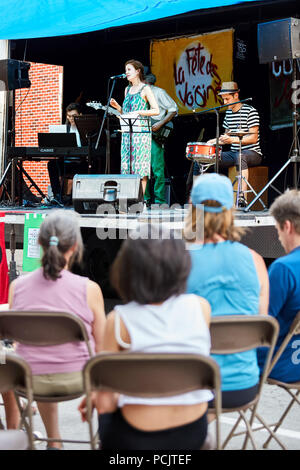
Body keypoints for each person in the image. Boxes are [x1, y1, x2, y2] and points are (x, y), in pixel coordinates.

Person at [78, 225, 212, 450]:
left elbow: (105, 398)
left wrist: (96, 397)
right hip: (193, 430)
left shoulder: (119, 321)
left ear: (128, 270)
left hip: (134, 438)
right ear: (181, 265)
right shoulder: (201, 308)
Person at [8, 210, 106, 449]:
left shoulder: (17, 287)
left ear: (39, 243)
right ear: (75, 246)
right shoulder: (90, 289)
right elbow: (103, 351)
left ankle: (45, 438)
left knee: (11, 361)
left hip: (29, 381)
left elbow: (16, 341)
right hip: (78, 378)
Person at [184, 173, 269, 408]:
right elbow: (260, 322)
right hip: (245, 386)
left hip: (194, 387)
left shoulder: (180, 263)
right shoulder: (255, 261)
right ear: (231, 210)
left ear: (192, 207)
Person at [257, 190, 300, 382]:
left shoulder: (284, 268)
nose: (279, 237)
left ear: (288, 227)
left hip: (283, 362)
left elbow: (263, 324)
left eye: (278, 230)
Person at [207, 82, 262, 206]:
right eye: (223, 99)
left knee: (240, 156)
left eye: (227, 99)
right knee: (204, 158)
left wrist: (233, 140)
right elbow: (227, 137)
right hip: (234, 152)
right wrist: (213, 142)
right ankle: (197, 197)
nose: (225, 102)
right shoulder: (228, 113)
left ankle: (242, 198)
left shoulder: (250, 111)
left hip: (252, 152)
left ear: (236, 95)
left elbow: (253, 138)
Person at [110, 60, 159, 195]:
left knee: (140, 169)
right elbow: (126, 114)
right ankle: (128, 199)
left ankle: (140, 201)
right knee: (128, 168)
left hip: (141, 133)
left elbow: (156, 110)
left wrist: (139, 112)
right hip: (128, 133)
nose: (126, 72)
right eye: (126, 70)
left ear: (138, 71)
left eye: (129, 69)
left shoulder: (145, 89)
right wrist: (118, 108)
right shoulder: (127, 89)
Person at [143, 73, 178, 206]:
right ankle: (145, 199)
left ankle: (160, 200)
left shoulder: (159, 92)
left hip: (155, 134)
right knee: (142, 169)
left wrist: (160, 123)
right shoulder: (137, 95)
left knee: (157, 169)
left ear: (145, 81)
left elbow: (173, 109)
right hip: (141, 133)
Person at [47, 103, 87, 204]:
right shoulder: (65, 130)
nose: (71, 119)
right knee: (51, 164)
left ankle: (73, 197)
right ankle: (57, 195)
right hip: (66, 161)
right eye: (69, 116)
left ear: (80, 115)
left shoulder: (86, 130)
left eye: (74, 116)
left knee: (88, 166)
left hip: (81, 163)